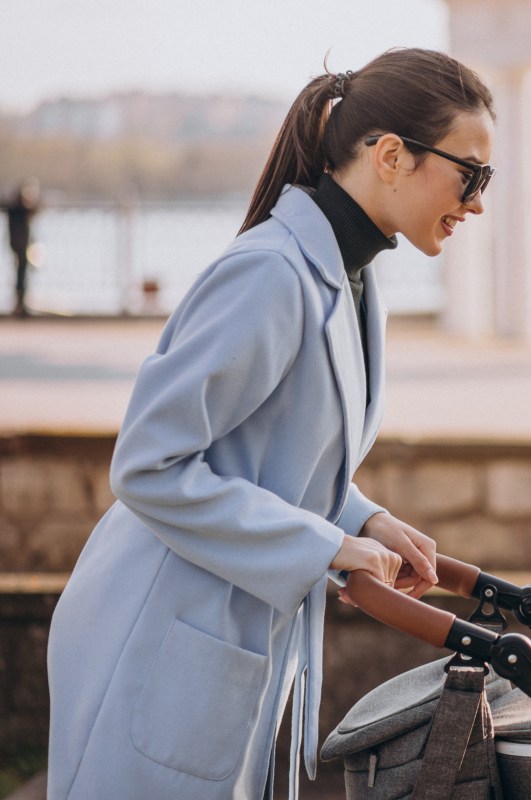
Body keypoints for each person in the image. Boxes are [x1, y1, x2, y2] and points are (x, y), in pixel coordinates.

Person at [46, 48, 495, 800]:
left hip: (215, 635)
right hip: (152, 633)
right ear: (392, 156)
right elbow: (151, 464)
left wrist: (366, 520)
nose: (477, 202)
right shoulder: (269, 272)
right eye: (471, 175)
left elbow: (275, 451)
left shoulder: (349, 279)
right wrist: (328, 545)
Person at [4, 177, 40, 317]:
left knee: (22, 274)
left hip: (21, 244)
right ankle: (20, 304)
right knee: (21, 274)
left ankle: (20, 303)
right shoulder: (18, 208)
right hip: (20, 244)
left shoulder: (18, 208)